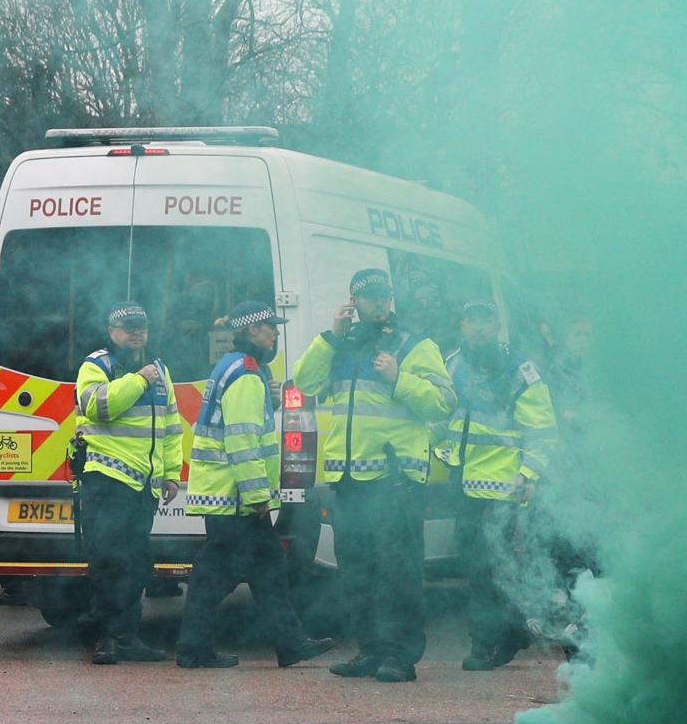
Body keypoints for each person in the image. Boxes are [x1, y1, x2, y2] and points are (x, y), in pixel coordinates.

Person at [293, 267, 455, 684]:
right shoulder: (340, 347)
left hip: (394, 479)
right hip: (350, 479)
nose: (379, 304)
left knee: (397, 572)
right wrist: (330, 335)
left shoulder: (414, 345)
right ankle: (368, 650)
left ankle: (399, 655)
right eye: (370, 298)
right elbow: (305, 382)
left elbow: (443, 403)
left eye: (384, 297)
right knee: (357, 570)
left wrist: (398, 378)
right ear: (354, 301)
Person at [176, 302, 331, 670]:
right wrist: (259, 495)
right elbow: (242, 441)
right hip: (235, 496)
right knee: (216, 575)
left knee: (268, 569)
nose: (275, 333)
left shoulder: (239, 368)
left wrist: (270, 400)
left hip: (228, 494)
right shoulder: (246, 374)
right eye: (268, 328)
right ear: (250, 332)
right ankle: (193, 648)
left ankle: (289, 643)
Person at [435, 301, 558, 670]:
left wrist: (529, 474)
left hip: (505, 488)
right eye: (473, 321)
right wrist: (441, 454)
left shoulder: (519, 369)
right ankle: (512, 632)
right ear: (462, 324)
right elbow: (441, 416)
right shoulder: (452, 363)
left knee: (491, 569)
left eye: (486, 322)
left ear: (497, 326)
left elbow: (544, 432)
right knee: (478, 568)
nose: (479, 328)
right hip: (464, 486)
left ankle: (485, 646)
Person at [74, 301, 184, 665]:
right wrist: (138, 380)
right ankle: (104, 639)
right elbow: (98, 407)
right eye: (129, 327)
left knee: (137, 563)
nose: (137, 333)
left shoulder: (160, 370)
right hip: (108, 478)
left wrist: (170, 473)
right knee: (109, 561)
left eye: (142, 327)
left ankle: (128, 636)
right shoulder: (96, 365)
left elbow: (171, 425)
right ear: (112, 332)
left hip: (144, 486)